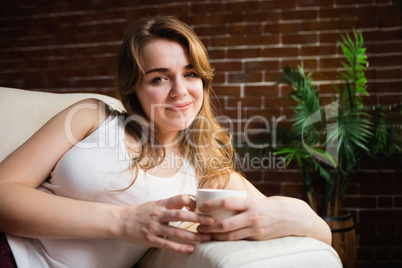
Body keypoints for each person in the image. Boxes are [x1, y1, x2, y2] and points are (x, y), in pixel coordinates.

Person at [0, 15, 331, 267]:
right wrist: (123, 222)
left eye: (190, 73)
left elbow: (322, 234)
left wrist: (299, 213)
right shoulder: (91, 117)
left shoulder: (211, 174)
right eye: (159, 77)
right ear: (134, 88)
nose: (179, 91)